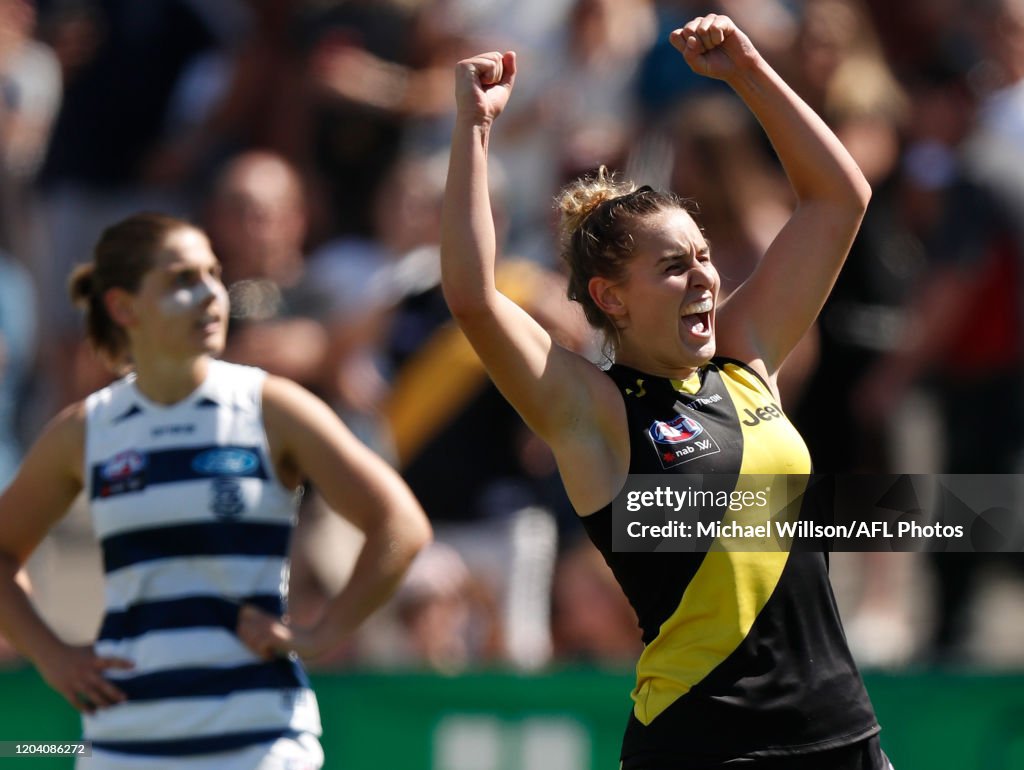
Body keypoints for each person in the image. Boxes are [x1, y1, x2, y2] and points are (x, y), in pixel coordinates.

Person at [442, 14, 892, 769]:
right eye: (674, 266)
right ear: (610, 297)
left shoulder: (747, 357)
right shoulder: (593, 412)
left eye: (706, 256)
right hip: (705, 746)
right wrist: (473, 129)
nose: (706, 278)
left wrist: (749, 73)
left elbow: (838, 200)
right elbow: (473, 297)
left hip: (844, 737)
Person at [0, 212, 431, 769]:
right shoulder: (88, 428)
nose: (210, 295)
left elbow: (400, 525)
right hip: (124, 747)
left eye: (212, 274)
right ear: (123, 308)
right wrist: (51, 655)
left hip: (260, 745)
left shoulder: (271, 407)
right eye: (182, 280)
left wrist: (325, 631)